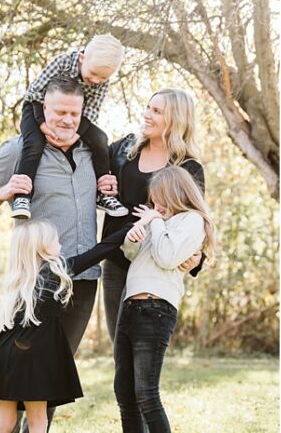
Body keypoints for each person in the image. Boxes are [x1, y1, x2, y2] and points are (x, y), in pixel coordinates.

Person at [0, 77, 118, 432]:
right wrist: (4, 192)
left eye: (74, 113)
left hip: (82, 281)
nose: (67, 120)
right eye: (59, 112)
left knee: (50, 379)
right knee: (19, 378)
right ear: (43, 110)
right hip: (35, 284)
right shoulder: (18, 150)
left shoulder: (95, 153)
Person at [0, 221, 131, 433]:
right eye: (55, 239)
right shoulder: (54, 272)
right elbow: (101, 250)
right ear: (42, 247)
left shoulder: (17, 281)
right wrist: (131, 226)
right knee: (38, 423)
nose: (60, 243)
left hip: (4, 354)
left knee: (5, 424)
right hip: (31, 357)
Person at [114, 165, 215, 433]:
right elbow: (133, 256)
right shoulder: (157, 222)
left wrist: (155, 222)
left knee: (146, 393)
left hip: (155, 309)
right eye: (153, 199)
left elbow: (167, 257)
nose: (155, 205)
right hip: (130, 307)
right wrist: (135, 235)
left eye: (160, 198)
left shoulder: (192, 220)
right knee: (124, 393)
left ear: (176, 194)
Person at [102, 88, 206, 342]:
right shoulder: (123, 152)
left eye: (157, 111)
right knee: (119, 348)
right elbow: (93, 169)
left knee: (143, 350)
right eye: (148, 108)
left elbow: (195, 218)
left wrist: (197, 257)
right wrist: (101, 181)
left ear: (176, 119)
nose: (147, 115)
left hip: (154, 268)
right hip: (116, 260)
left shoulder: (188, 168)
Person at [13, 35, 127, 219]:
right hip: (36, 107)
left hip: (75, 117)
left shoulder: (102, 81)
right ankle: (23, 195)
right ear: (83, 58)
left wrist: (75, 136)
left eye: (103, 77)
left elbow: (91, 112)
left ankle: (104, 194)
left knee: (100, 139)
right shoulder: (63, 63)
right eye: (94, 74)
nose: (97, 80)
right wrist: (42, 125)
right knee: (34, 143)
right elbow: (34, 93)